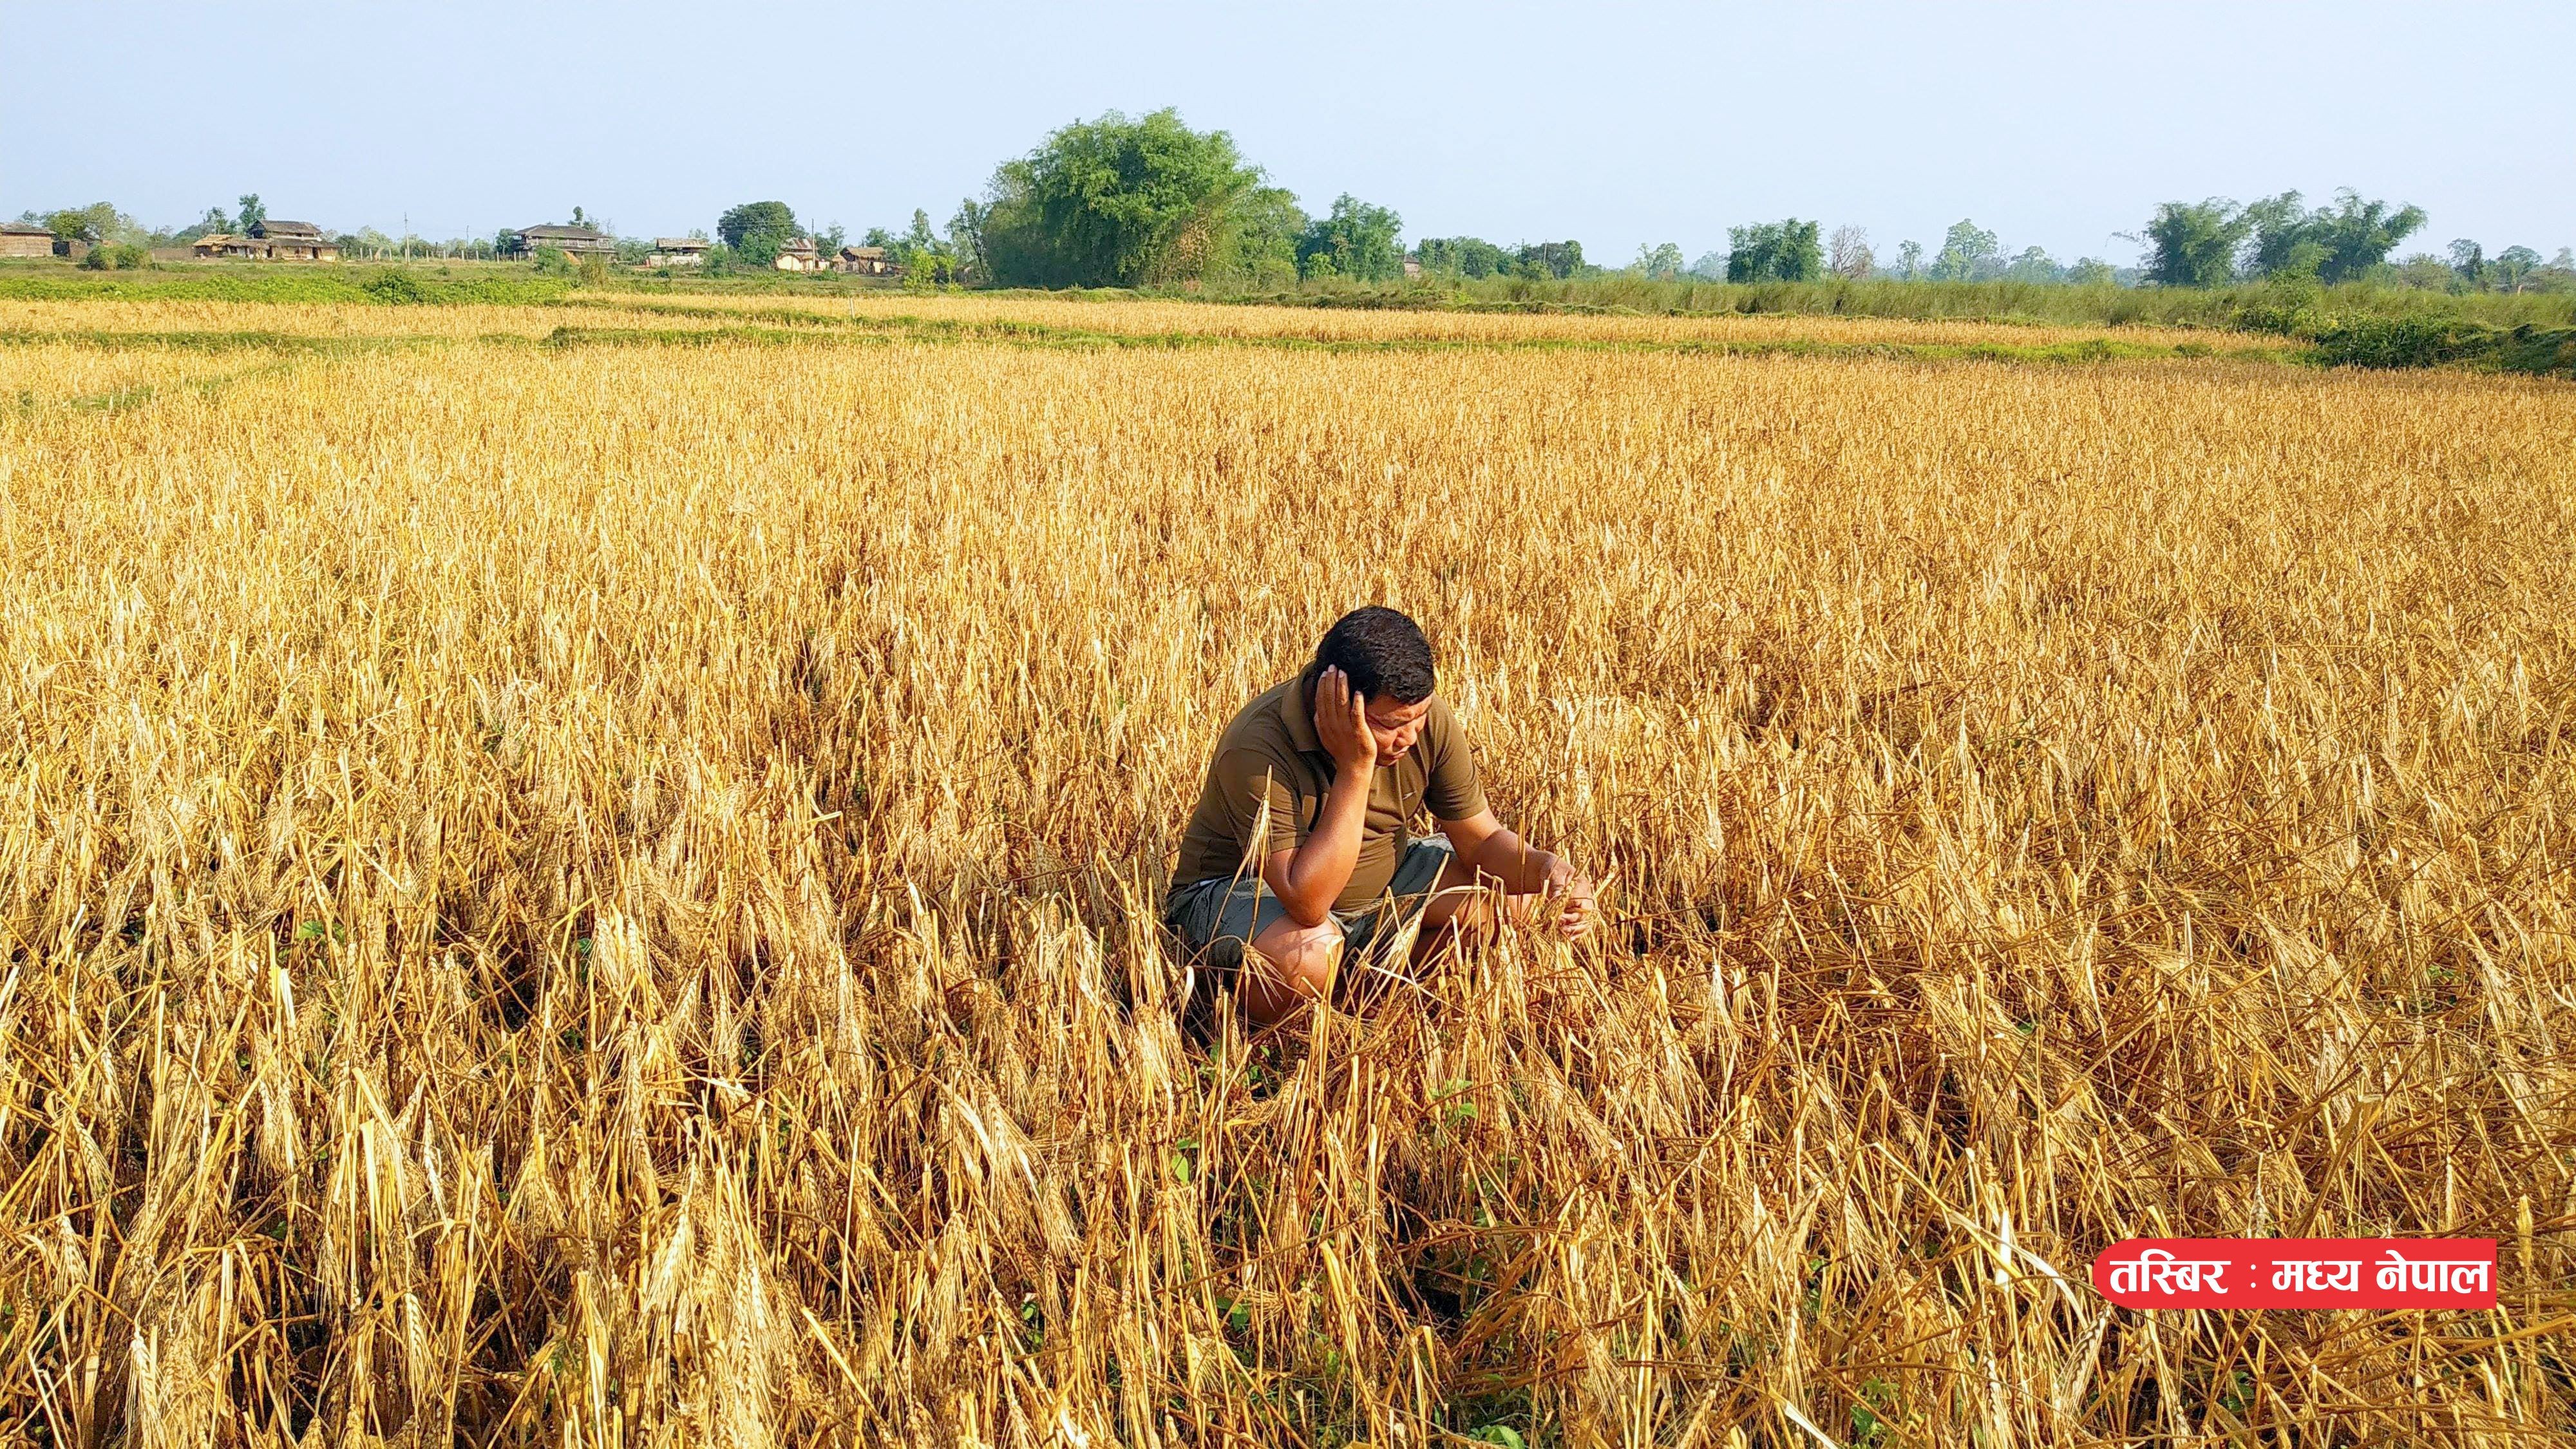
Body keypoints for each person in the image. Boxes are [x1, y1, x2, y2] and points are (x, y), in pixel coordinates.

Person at [1165, 606, 1598, 1027]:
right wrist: (1356, 767)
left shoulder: (1419, 723)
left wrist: (1550, 871)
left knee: (1514, 900)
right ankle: (1275, 1030)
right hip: (1246, 892)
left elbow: (1481, 841)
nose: (1408, 737)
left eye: (1419, 717)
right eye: (1389, 725)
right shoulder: (1258, 746)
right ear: (1332, 703)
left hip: (1379, 882)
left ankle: (1364, 1001)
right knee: (1308, 955)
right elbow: (1307, 902)